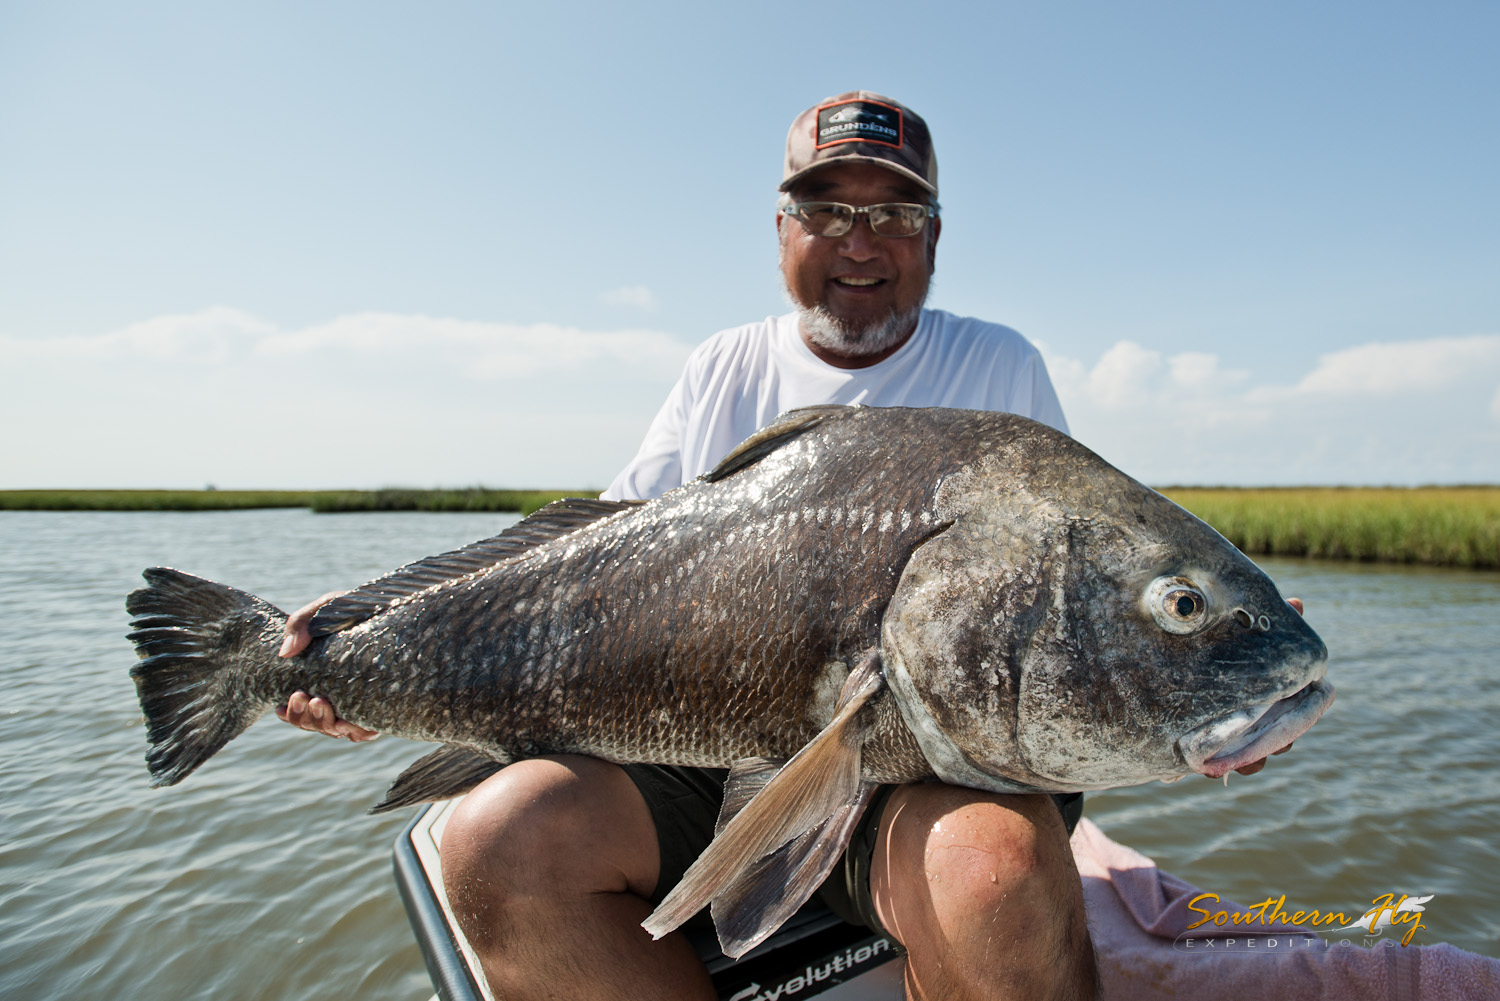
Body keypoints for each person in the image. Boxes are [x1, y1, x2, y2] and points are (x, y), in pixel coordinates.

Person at [278, 91, 1293, 1001]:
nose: (862, 239)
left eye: (894, 213)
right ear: (780, 231)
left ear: (934, 238)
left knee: (994, 870)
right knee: (497, 842)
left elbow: (1086, 600)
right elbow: (593, 562)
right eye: (827, 211)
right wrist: (373, 652)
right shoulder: (720, 366)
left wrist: (1199, 689)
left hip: (935, 761)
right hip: (705, 744)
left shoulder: (1000, 368)